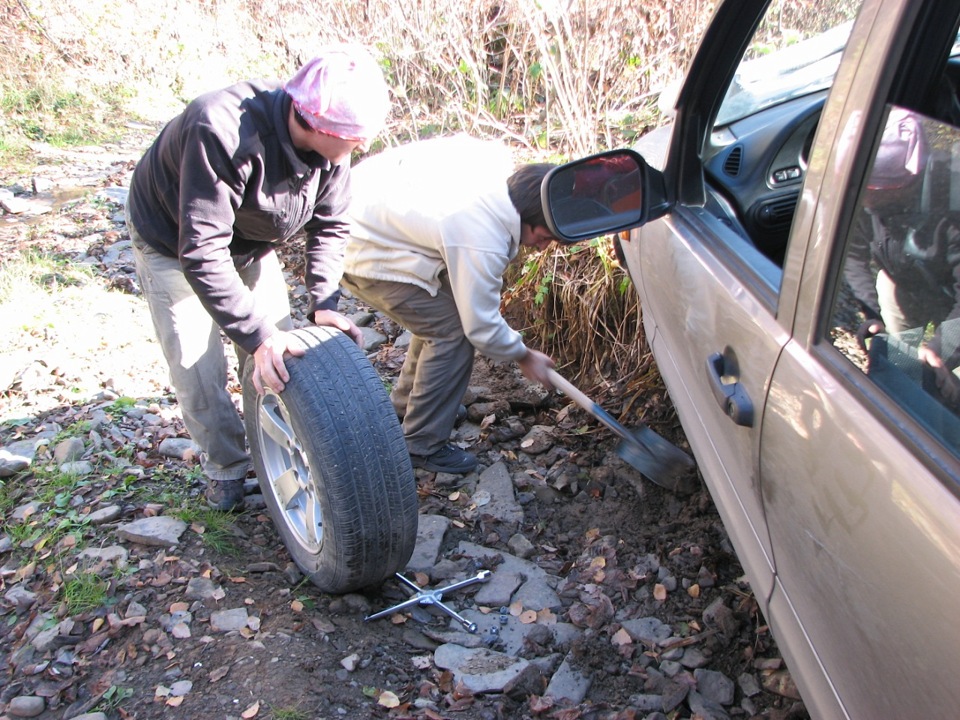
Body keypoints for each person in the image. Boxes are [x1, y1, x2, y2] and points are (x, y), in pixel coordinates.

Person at [125, 45, 391, 511]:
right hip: (174, 241)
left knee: (278, 354)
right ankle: (226, 467)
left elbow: (330, 224)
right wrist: (258, 333)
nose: (361, 148)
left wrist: (324, 301)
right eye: (354, 139)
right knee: (199, 370)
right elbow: (202, 252)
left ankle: (275, 444)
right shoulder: (222, 130)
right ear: (318, 125)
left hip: (247, 242)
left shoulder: (332, 152)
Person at [341, 134, 560, 474]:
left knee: (441, 320)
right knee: (454, 332)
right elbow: (481, 327)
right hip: (358, 247)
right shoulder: (482, 236)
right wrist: (524, 355)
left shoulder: (497, 169)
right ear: (525, 218)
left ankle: (407, 407)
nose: (542, 248)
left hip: (368, 213)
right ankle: (422, 445)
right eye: (543, 237)